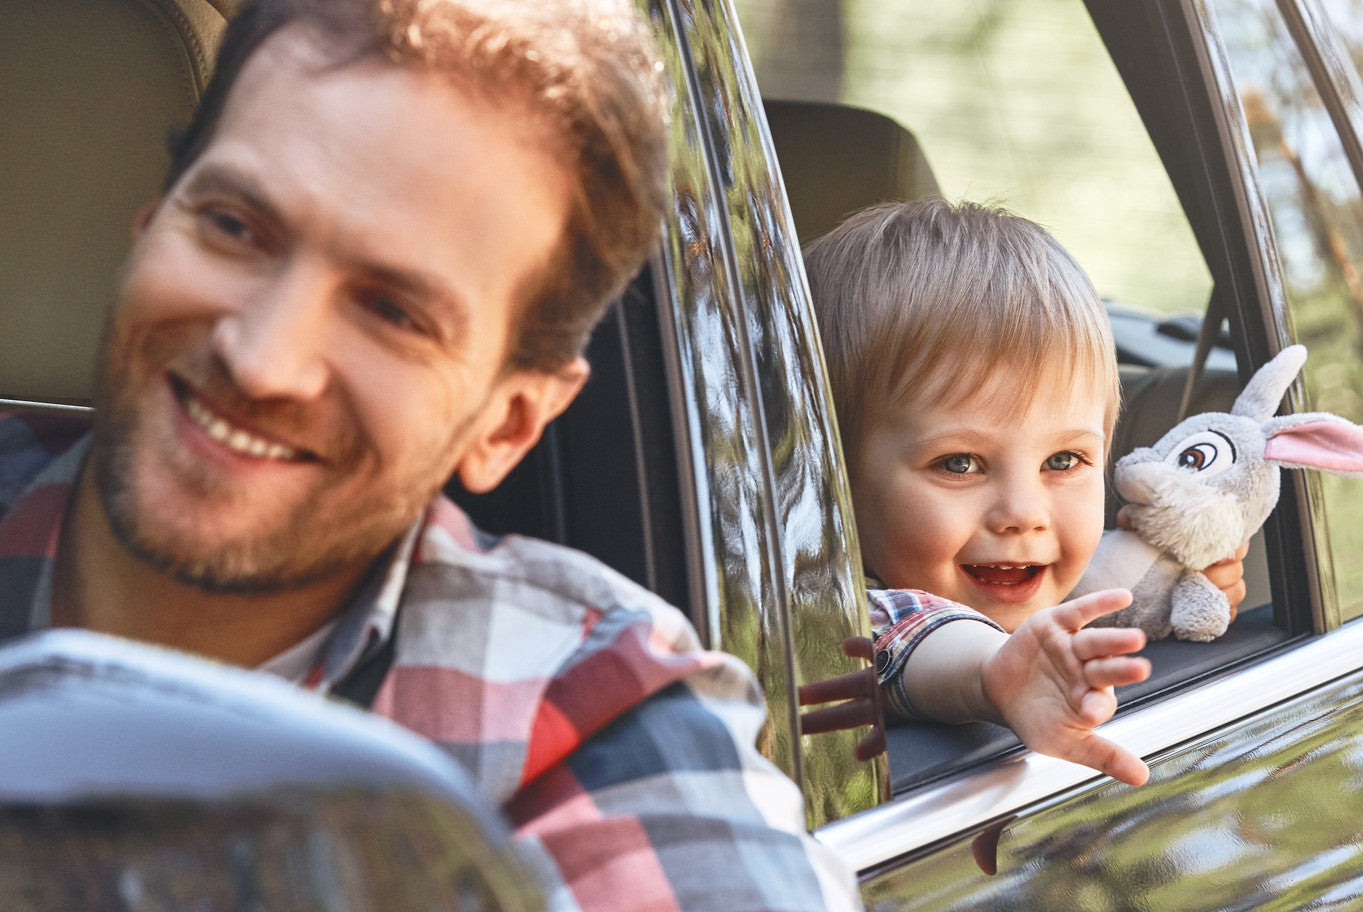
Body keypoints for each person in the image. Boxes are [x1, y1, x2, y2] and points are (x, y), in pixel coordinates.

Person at [0, 0, 866, 908]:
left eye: (394, 312)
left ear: (508, 422)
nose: (260, 358)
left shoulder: (587, 726)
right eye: (234, 227)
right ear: (149, 226)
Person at [798, 199, 1248, 788]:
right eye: (959, 464)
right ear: (836, 483)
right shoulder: (832, 613)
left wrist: (1169, 596)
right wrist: (992, 674)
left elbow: (1081, 610)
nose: (1023, 514)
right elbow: (911, 637)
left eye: (1063, 460)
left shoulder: (1044, 577)